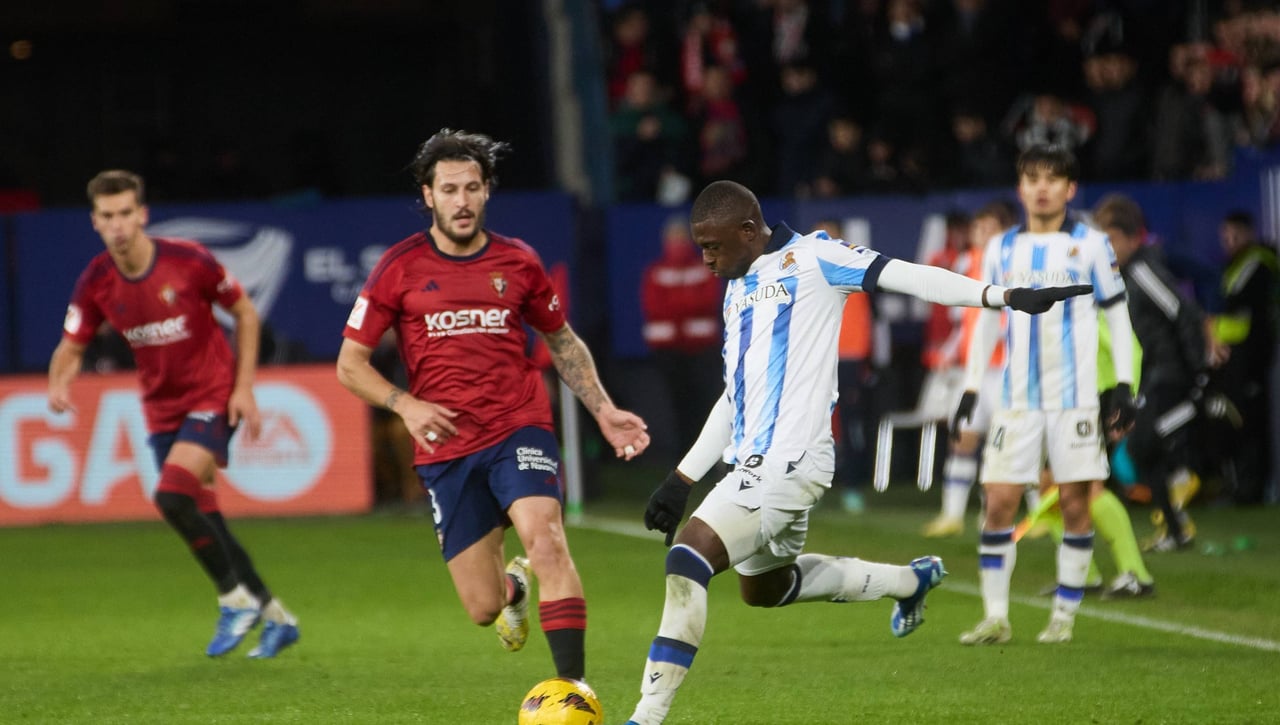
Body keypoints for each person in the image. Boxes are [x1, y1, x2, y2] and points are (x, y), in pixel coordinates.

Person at [623, 179, 1090, 725]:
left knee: (688, 557)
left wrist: (1000, 297)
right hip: (751, 466)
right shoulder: (736, 287)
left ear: (750, 231)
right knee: (765, 589)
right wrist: (682, 478)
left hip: (792, 460)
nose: (705, 259)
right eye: (702, 247)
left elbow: (908, 276)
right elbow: (736, 394)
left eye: (713, 246)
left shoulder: (817, 257)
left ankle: (646, 717)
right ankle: (909, 581)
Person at [335, 129, 650, 681]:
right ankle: (515, 588)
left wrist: (602, 409)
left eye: (473, 188)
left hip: (517, 425)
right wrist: (405, 406)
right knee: (483, 607)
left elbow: (562, 340)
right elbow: (349, 364)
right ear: (428, 196)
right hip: (447, 447)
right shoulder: (398, 267)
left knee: (547, 538)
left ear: (486, 193)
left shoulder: (519, 262)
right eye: (450, 189)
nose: (462, 200)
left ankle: (571, 691)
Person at [48, 170, 300, 658]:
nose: (118, 225)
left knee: (170, 495)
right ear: (95, 222)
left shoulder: (190, 260)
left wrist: (244, 388)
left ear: (141, 215)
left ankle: (235, 600)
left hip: (211, 394)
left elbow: (245, 313)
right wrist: (59, 381)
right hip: (161, 409)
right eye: (107, 216)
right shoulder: (96, 280)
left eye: (126, 213)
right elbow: (71, 345)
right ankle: (276, 617)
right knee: (205, 517)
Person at [954, 144, 1135, 647]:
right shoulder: (1001, 248)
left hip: (1075, 399)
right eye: (1032, 176)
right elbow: (987, 317)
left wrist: (1122, 383)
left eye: (1054, 178)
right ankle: (996, 617)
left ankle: (1063, 618)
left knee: (1076, 507)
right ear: (1020, 186)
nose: (1042, 186)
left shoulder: (1092, 244)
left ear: (1070, 188)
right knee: (999, 502)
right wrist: (972, 386)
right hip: (1017, 399)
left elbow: (1117, 312)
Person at [1093, 194, 1218, 553]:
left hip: (1176, 377)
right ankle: (1177, 531)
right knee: (1143, 452)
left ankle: (1185, 476)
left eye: (1113, 240)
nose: (1108, 249)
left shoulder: (1144, 271)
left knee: (1144, 443)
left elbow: (1182, 313)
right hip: (1154, 376)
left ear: (1134, 238)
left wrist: (1199, 373)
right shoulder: (1120, 278)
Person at [922, 199, 1019, 538]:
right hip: (974, 371)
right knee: (962, 438)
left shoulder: (1014, 266)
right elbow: (966, 323)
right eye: (978, 228)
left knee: (1006, 445)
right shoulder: (967, 264)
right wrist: (950, 351)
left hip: (1006, 370)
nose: (981, 234)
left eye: (989, 228)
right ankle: (951, 515)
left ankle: (1021, 515)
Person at [640, 214, 724, 462]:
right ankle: (682, 458)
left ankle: (707, 459)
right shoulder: (656, 271)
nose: (676, 243)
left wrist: (677, 304)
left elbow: (708, 301)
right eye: (672, 238)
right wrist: (687, 304)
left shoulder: (704, 266)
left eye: (680, 238)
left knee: (705, 404)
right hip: (668, 351)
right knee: (675, 405)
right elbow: (653, 307)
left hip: (702, 349)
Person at [1212, 210, 1277, 505]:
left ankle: (1252, 489)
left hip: (1251, 358)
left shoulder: (1257, 263)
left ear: (1248, 233)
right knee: (1236, 421)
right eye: (1224, 236)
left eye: (1233, 235)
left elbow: (1243, 308)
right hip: (1234, 355)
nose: (1228, 241)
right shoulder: (1234, 265)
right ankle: (1239, 487)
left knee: (1250, 424)